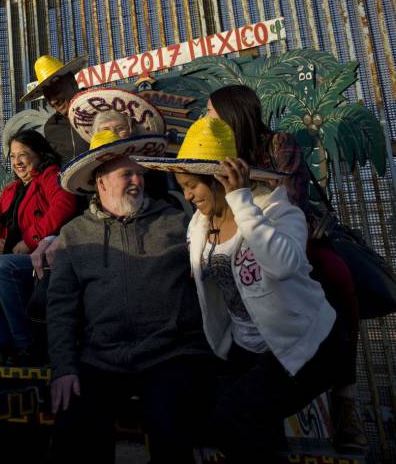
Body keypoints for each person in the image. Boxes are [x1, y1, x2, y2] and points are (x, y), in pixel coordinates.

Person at [137, 117, 349, 464]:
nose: (188, 195)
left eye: (192, 185)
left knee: (236, 418)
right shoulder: (199, 224)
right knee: (208, 420)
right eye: (183, 186)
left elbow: (283, 265)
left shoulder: (279, 211)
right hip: (247, 348)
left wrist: (241, 201)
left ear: (219, 180)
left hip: (309, 344)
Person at [206, 84, 366, 450]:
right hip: (239, 235)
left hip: (289, 230)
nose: (206, 119)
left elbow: (290, 202)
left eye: (211, 112)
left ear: (233, 113)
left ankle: (345, 398)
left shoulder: (279, 143)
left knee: (337, 275)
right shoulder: (216, 150)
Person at [47, 129, 213, 464]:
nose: (138, 180)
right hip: (102, 357)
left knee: (172, 430)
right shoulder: (73, 236)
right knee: (73, 430)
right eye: (127, 174)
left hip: (170, 351)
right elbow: (61, 309)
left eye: (140, 173)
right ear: (101, 182)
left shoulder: (177, 222)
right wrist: (64, 368)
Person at [0, 130, 77, 365]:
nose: (17, 162)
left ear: (39, 154)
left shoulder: (51, 176)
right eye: (12, 156)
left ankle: (27, 343)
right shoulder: (10, 191)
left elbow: (64, 206)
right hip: (10, 257)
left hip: (44, 257)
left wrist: (30, 241)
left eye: (23, 155)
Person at [19, 54, 91, 163]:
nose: (53, 101)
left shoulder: (103, 107)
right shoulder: (51, 128)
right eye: (48, 97)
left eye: (56, 92)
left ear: (72, 82)